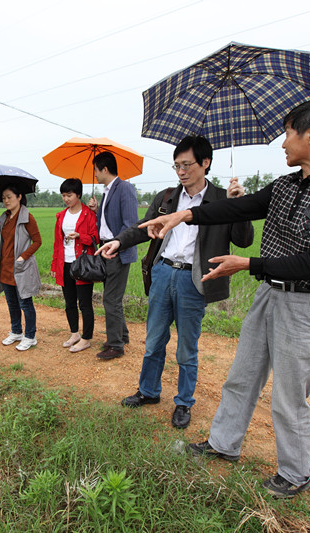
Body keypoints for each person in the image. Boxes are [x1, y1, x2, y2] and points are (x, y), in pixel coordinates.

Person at [140, 98, 310, 498]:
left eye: (287, 133)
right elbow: (240, 207)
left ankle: (295, 474)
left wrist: (247, 265)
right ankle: (222, 444)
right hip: (269, 295)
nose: (283, 143)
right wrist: (182, 215)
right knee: (242, 376)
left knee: (289, 395)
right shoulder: (285, 184)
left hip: (307, 305)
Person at [97, 136, 254, 429]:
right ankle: (148, 392)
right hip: (163, 273)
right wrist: (119, 240)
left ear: (205, 163)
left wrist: (239, 205)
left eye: (187, 165)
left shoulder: (221, 199)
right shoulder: (167, 197)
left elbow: (243, 241)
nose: (181, 171)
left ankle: (183, 402)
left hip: (193, 279)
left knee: (187, 347)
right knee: (154, 340)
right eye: (177, 165)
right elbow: (143, 229)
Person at [87, 151, 138, 360]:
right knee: (113, 297)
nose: (95, 175)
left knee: (110, 299)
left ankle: (115, 345)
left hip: (118, 250)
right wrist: (96, 209)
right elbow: (108, 221)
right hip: (106, 249)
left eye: (96, 170)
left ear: (104, 169)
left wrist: (116, 247)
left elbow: (130, 223)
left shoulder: (124, 188)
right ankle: (122, 336)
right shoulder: (107, 191)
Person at [50, 178, 98, 353]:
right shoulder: (61, 216)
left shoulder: (89, 214)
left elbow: (95, 238)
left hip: (83, 264)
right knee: (69, 302)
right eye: (63, 195)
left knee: (84, 303)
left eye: (69, 195)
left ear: (78, 194)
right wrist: (55, 265)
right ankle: (74, 333)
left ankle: (86, 338)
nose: (66, 199)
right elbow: (57, 243)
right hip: (65, 263)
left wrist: (80, 236)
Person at [0, 183, 42, 351]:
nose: (6, 201)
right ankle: (16, 331)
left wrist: (23, 257)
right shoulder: (4, 218)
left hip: (21, 268)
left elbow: (37, 241)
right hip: (5, 267)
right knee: (12, 303)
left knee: (25, 303)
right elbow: (2, 243)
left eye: (9, 197)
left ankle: (30, 336)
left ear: (19, 196)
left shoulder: (27, 217)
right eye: (3, 198)